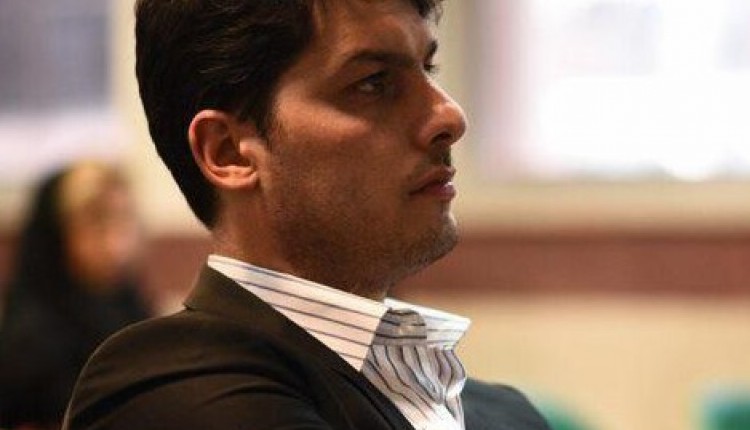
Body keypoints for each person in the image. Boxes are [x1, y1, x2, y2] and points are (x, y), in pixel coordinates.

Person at [63, 1, 551, 429]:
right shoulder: (169, 387)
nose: (450, 117)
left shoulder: (505, 412)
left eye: (429, 67)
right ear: (228, 151)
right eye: (374, 83)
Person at [0, 161, 150, 430]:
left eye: (123, 219)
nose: (116, 243)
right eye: (96, 222)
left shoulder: (131, 307)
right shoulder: (30, 338)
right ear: (57, 232)